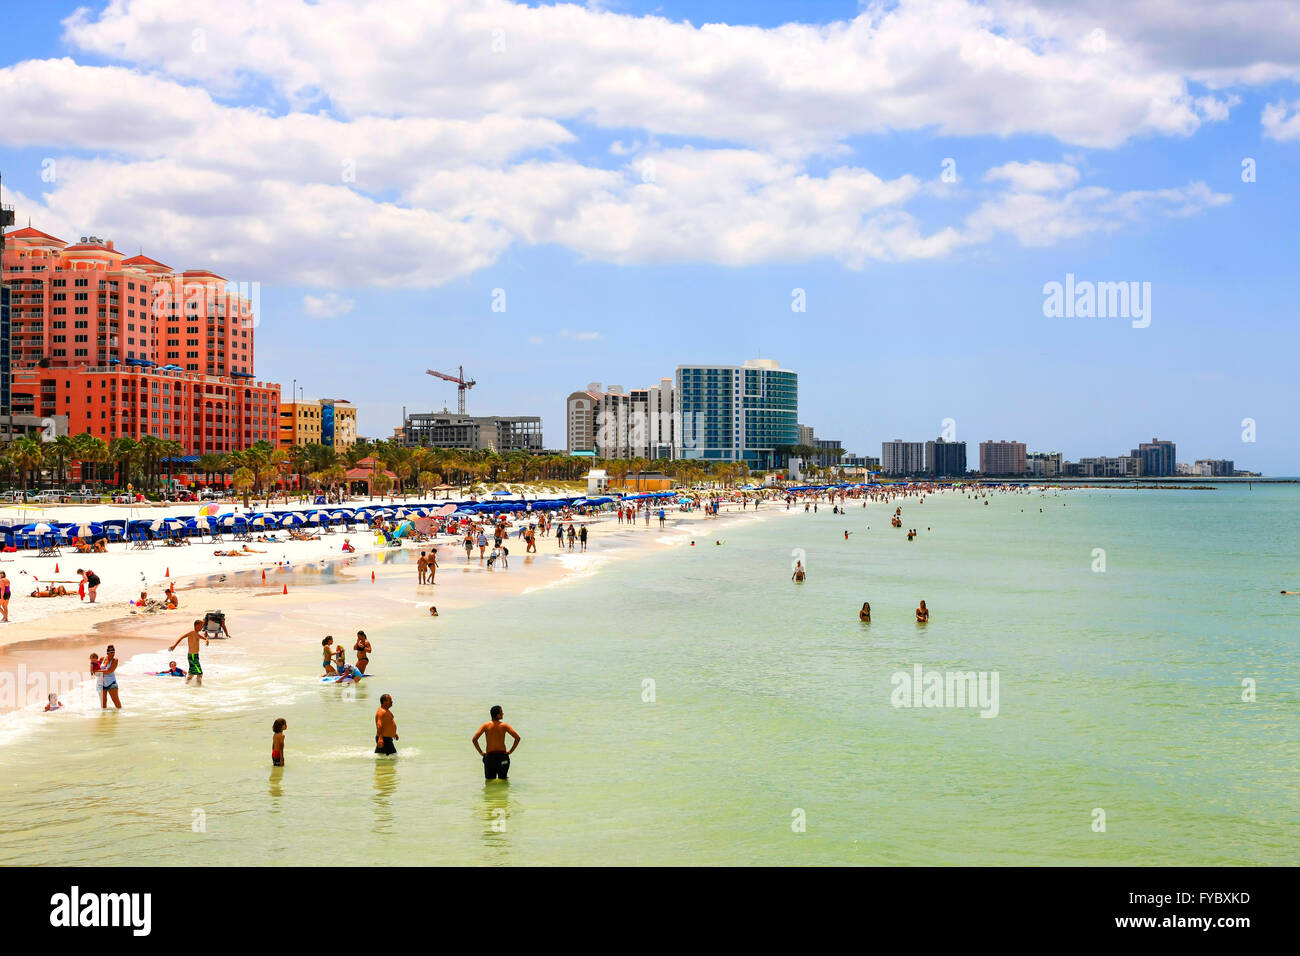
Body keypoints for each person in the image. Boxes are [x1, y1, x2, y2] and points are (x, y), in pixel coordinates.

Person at [473, 705, 520, 781]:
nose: (503, 714)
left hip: (490, 758)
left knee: (489, 781)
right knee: (503, 781)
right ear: (497, 714)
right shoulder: (504, 726)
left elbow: (474, 739)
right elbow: (517, 738)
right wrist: (510, 751)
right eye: (501, 712)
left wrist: (481, 753)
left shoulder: (485, 725)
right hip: (503, 757)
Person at [168, 620, 211, 685]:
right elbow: (181, 637)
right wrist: (174, 646)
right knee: (200, 673)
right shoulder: (192, 632)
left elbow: (199, 636)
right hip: (193, 656)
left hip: (195, 656)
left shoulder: (196, 633)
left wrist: (206, 639)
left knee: (192, 674)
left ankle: (185, 685)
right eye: (201, 626)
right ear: (197, 626)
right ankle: (199, 688)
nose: (202, 627)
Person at [98, 644, 122, 709]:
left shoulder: (115, 660)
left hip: (111, 684)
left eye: (113, 651)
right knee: (103, 705)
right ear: (107, 652)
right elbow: (95, 667)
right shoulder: (102, 659)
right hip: (101, 683)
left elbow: (110, 671)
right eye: (110, 651)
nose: (112, 653)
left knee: (117, 705)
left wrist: (98, 671)